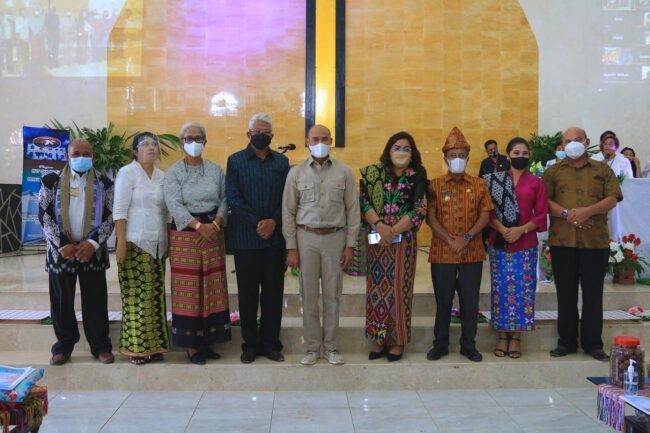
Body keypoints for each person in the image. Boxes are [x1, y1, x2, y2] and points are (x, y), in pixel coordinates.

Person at [283, 124, 360, 366]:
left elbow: (353, 210)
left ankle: (331, 347)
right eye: (315, 139)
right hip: (305, 238)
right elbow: (288, 211)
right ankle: (311, 348)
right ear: (307, 141)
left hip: (335, 238)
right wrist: (291, 247)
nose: (320, 143)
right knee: (308, 296)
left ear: (331, 141)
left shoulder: (344, 172)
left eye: (324, 138)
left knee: (332, 296)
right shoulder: (296, 173)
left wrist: (350, 245)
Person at [543, 127, 622, 361]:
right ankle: (566, 342)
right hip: (562, 241)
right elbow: (544, 201)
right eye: (568, 141)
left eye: (577, 140)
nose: (573, 144)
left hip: (594, 242)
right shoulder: (553, 171)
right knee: (565, 293)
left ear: (586, 142)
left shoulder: (602, 169)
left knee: (593, 294)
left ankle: (593, 344)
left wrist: (587, 211)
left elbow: (613, 198)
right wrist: (568, 214)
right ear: (562, 145)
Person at [37, 138, 115, 366]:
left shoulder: (104, 182)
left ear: (93, 156)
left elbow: (110, 216)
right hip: (61, 252)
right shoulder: (50, 180)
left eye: (86, 154)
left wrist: (92, 244)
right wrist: (62, 244)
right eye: (76, 154)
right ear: (67, 156)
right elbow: (44, 214)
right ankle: (63, 346)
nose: (82, 158)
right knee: (61, 302)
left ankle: (100, 346)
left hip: (93, 252)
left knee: (96, 301)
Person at [164, 122, 231, 365]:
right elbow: (173, 203)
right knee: (190, 289)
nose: (193, 142)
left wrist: (216, 224)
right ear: (181, 142)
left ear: (205, 141)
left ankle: (209, 340)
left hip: (214, 232)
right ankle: (191, 344)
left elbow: (225, 198)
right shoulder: (173, 172)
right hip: (186, 235)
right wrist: (198, 226)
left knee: (212, 285)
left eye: (198, 138)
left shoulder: (215, 170)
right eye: (188, 138)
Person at [225, 113, 290, 364]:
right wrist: (257, 223)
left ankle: (271, 344)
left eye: (265, 132)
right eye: (256, 132)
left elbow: (287, 198)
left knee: (273, 294)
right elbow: (233, 197)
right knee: (248, 294)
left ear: (272, 136)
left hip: (275, 239)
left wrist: (273, 221)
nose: (261, 136)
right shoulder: (236, 161)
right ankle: (250, 345)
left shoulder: (282, 162)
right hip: (245, 238)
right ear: (248, 134)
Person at [426, 127, 493, 363]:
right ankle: (440, 345)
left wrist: (466, 238)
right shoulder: (434, 186)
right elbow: (430, 217)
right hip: (442, 253)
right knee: (443, 302)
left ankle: (468, 346)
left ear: (468, 157)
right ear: (445, 158)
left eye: (461, 155)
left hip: (471, 252)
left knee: (469, 302)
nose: (457, 159)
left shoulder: (480, 185)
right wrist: (449, 240)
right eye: (453, 155)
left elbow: (485, 215)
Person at [360, 131, 427, 362]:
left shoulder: (418, 175)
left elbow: (420, 208)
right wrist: (380, 226)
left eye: (407, 148)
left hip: (403, 242)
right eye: (397, 147)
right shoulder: (374, 174)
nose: (401, 152)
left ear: (413, 153)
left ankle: (397, 341)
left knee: (399, 290)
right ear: (388, 150)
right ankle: (378, 339)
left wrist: (394, 230)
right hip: (377, 241)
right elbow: (364, 202)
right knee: (377, 291)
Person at [484, 137, 548, 359]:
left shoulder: (536, 183)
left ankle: (516, 337)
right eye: (516, 152)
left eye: (524, 153)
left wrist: (521, 230)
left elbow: (541, 215)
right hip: (499, 241)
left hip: (526, 243)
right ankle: (502, 335)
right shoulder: (496, 179)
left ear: (529, 156)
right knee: (501, 289)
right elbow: (487, 211)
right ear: (508, 154)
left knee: (523, 290)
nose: (520, 156)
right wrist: (503, 230)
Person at [113, 132, 171, 365]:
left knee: (155, 297)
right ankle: (136, 348)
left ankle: (155, 346)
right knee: (137, 297)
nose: (151, 148)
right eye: (145, 144)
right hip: (134, 243)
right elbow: (119, 211)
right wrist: (121, 243)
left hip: (158, 245)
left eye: (154, 144)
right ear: (135, 151)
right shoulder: (127, 173)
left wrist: (168, 242)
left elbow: (166, 214)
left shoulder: (162, 176)